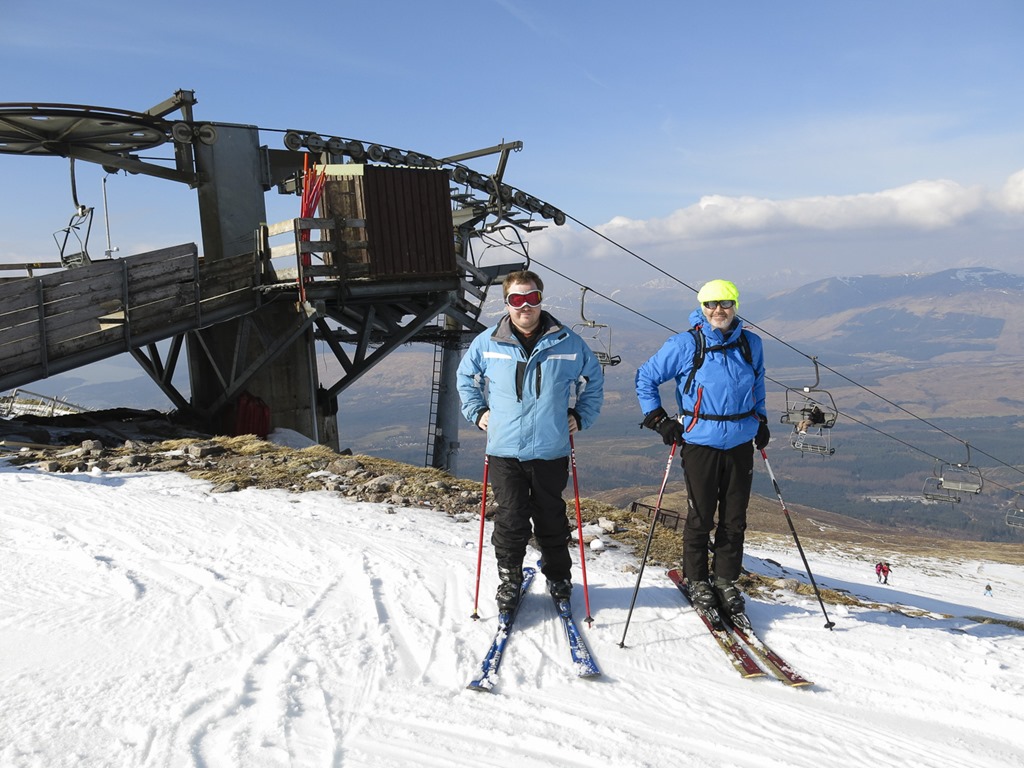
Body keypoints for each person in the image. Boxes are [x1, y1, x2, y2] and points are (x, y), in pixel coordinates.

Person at [457, 270, 604, 613]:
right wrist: (478, 412)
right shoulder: (487, 342)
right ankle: (510, 579)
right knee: (511, 519)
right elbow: (466, 378)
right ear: (507, 303)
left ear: (541, 299)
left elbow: (593, 380)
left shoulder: (567, 342)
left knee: (551, 516)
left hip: (550, 448)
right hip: (504, 449)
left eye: (532, 297)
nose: (525, 306)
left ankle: (559, 577)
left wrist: (581, 415)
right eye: (517, 299)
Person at [635, 279, 768, 617]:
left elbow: (758, 382)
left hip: (741, 442)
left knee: (735, 519)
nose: (718, 310)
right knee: (701, 516)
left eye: (725, 303)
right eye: (711, 304)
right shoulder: (685, 344)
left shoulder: (751, 343)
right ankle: (696, 579)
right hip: (700, 442)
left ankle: (725, 580)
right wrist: (658, 420)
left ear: (735, 305)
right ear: (702, 307)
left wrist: (761, 420)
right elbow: (646, 377)